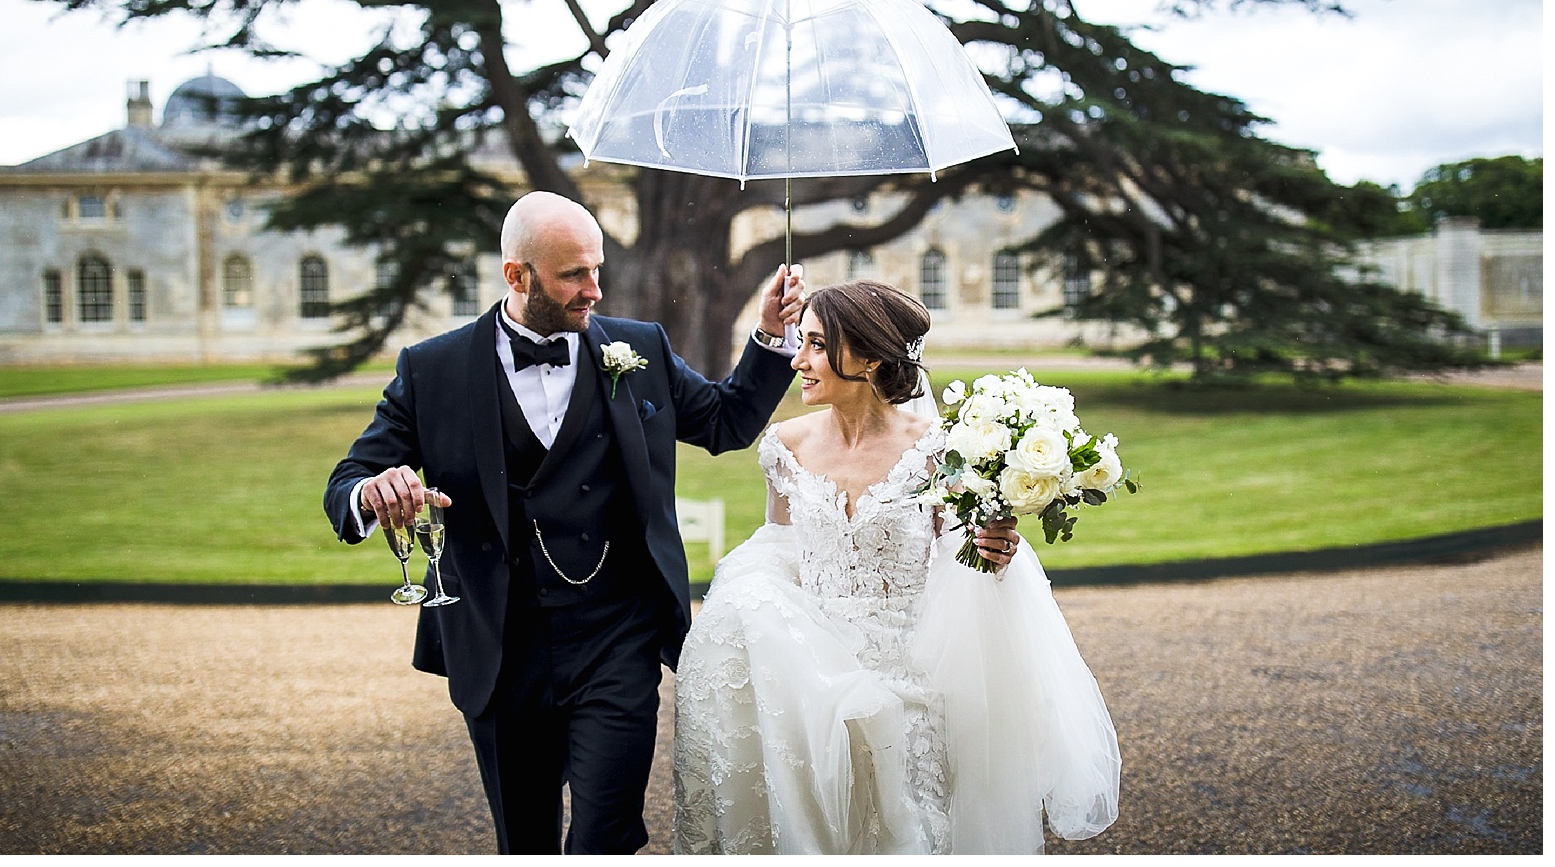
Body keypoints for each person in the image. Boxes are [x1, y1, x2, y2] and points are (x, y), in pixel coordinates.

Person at [324, 190, 798, 853]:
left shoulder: (640, 351)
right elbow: (346, 483)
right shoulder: (431, 370)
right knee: (525, 841)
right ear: (516, 276)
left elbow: (726, 422)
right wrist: (374, 491)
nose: (595, 290)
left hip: (616, 640)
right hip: (499, 644)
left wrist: (772, 337)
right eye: (574, 274)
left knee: (605, 835)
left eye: (596, 269)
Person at [670, 279, 1120, 854]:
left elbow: (963, 558)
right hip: (814, 666)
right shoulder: (784, 445)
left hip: (916, 668)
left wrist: (994, 547)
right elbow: (777, 551)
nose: (799, 361)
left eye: (814, 345)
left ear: (869, 357)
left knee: (911, 827)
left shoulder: (940, 450)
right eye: (800, 342)